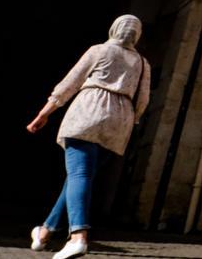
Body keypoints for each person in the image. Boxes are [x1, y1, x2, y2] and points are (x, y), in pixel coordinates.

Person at [26, 15, 151, 259]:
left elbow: (70, 83)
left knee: (79, 174)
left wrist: (44, 114)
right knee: (81, 176)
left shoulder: (98, 50)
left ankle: (78, 237)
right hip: (119, 123)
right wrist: (129, 121)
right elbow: (143, 100)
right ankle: (45, 232)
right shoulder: (142, 63)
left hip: (88, 114)